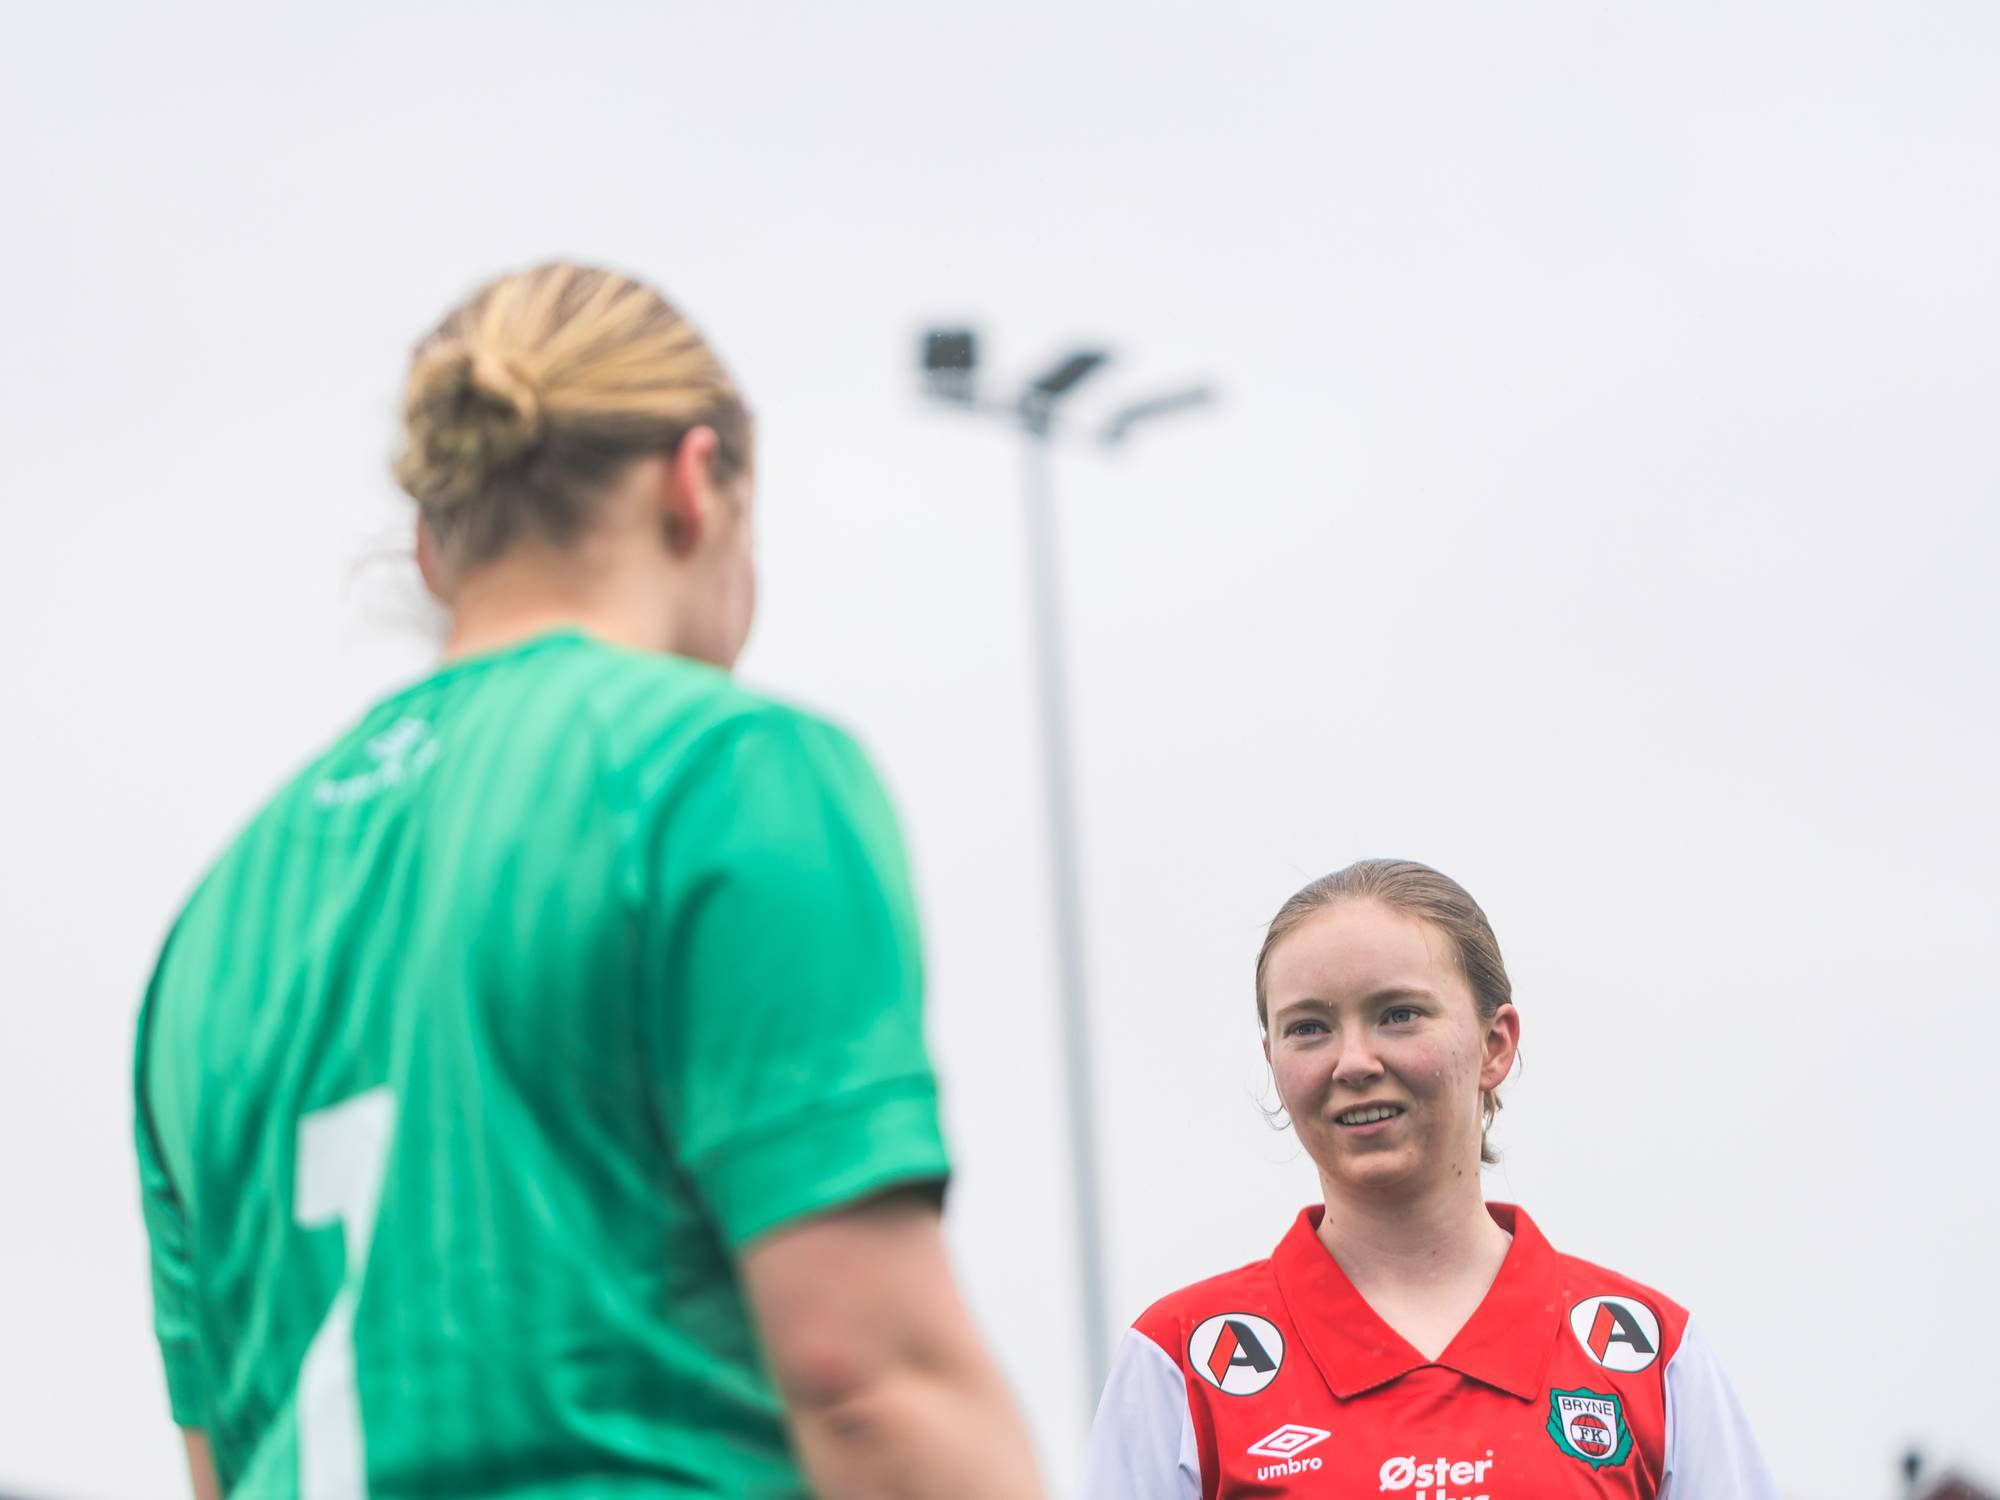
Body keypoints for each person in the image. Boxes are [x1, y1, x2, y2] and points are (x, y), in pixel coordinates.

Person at [132, 262, 1047, 1500]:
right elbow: (867, 1383)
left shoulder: (216, 920)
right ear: (696, 486)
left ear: (432, 545)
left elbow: (219, 1465)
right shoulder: (720, 771)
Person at [1079, 858, 1776, 1498]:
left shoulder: (1649, 1354)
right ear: (1272, 1059)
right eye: (1309, 1028)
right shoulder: (1181, 1361)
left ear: (1495, 1044)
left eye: (1398, 1015)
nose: (1352, 1061)